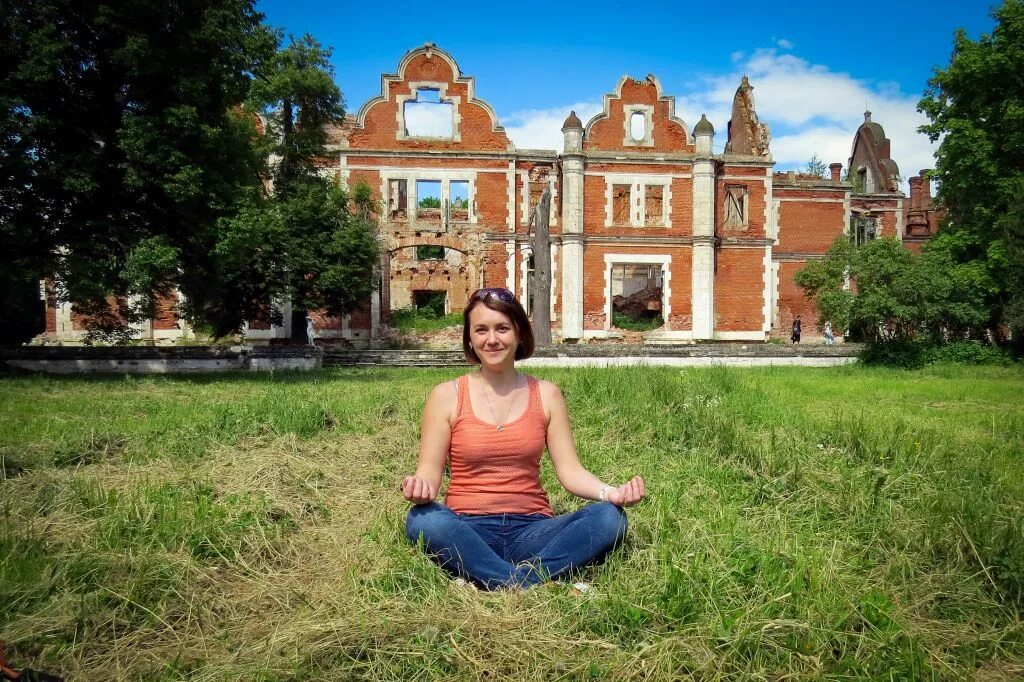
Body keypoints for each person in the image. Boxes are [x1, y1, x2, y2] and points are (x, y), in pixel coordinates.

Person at [402, 287, 646, 590]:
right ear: (469, 338)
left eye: (502, 328)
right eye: (481, 330)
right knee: (423, 520)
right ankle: (534, 582)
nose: (492, 339)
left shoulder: (547, 394)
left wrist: (611, 493)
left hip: (532, 530)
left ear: (519, 333)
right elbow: (429, 473)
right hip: (466, 529)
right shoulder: (446, 396)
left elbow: (570, 472)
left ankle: (494, 579)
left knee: (610, 519)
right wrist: (420, 488)